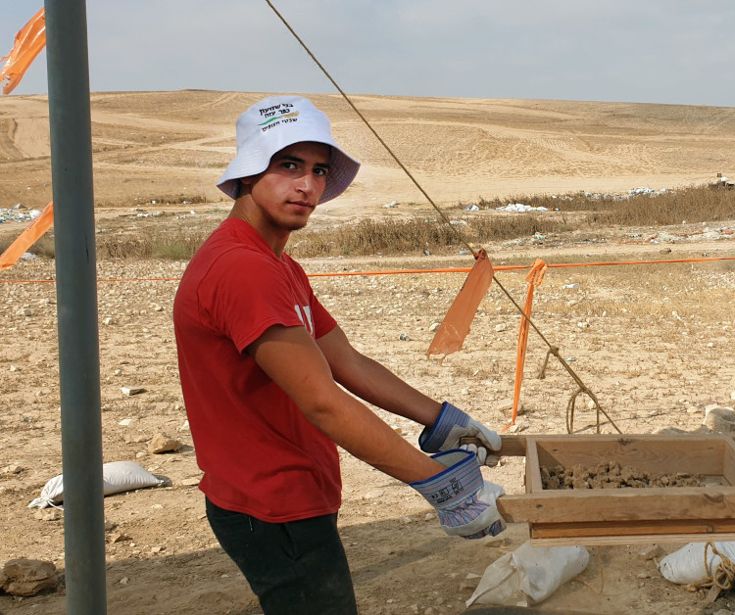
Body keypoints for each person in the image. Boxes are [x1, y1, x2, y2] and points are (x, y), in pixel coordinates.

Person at [173, 95, 505, 615]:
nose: (307, 185)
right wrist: (439, 484)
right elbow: (322, 400)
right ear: (248, 172)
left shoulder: (278, 264)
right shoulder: (243, 268)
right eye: (288, 166)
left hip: (293, 489)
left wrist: (443, 420)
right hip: (271, 502)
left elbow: (346, 363)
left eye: (319, 170)